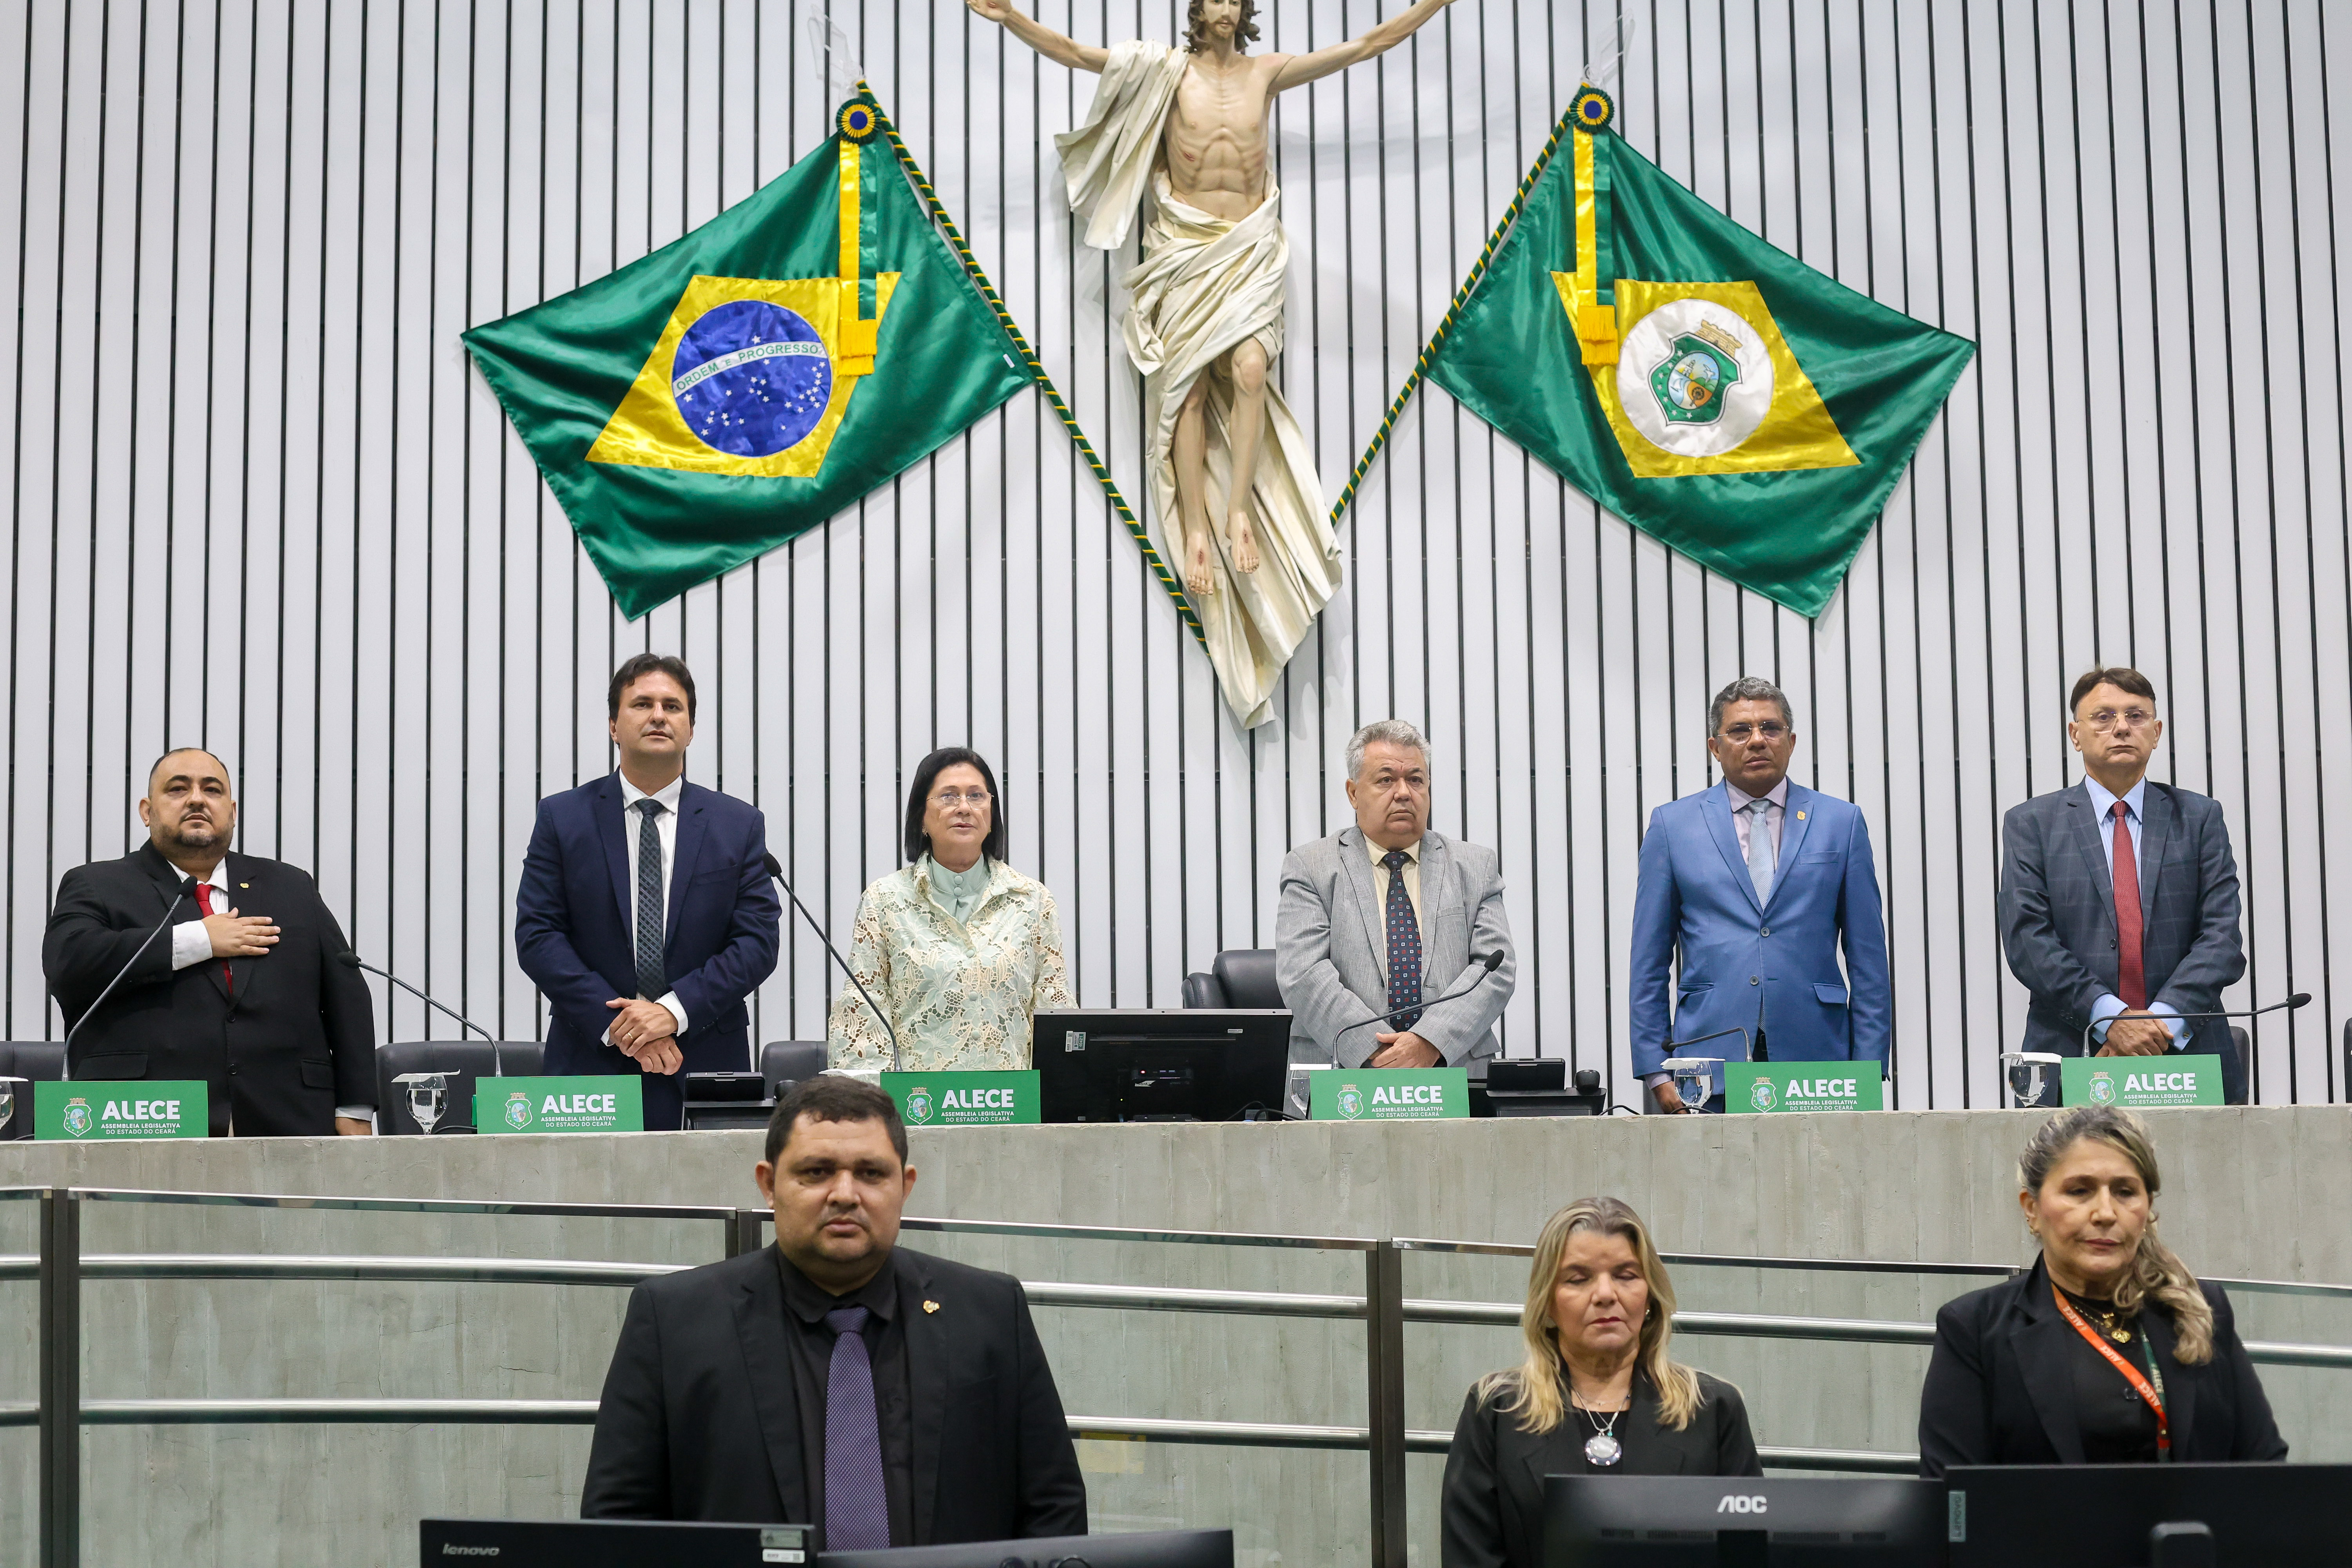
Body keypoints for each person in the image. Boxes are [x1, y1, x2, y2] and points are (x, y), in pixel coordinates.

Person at [967, 0, 1459, 727]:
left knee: (1253, 370)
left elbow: (1367, 46)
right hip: (1187, 248)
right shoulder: (1165, 75)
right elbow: (1074, 54)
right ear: (1198, 12)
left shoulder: (1268, 73)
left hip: (1250, 245)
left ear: (1246, 11)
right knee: (1188, 395)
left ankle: (1237, 515)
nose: (1225, 8)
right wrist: (1012, 18)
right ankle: (1197, 527)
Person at [582, 1076, 1088, 1543]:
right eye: (816, 1172)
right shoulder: (675, 1320)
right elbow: (620, 1521)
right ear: (768, 1184)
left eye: (871, 1174)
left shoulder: (990, 1312)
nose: (845, 1194)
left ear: (905, 1186)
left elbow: (1052, 1507)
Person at [1917, 1105, 2284, 1476]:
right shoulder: (1974, 1330)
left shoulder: (2203, 1310)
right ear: (2032, 1209)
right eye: (2080, 1191)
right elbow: (1952, 1498)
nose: (2106, 1213)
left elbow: (2265, 1465)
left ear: (2148, 1208)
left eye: (2125, 1192)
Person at [42, 747, 376, 1136]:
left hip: (289, 1119)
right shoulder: (97, 884)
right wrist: (200, 938)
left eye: (212, 790)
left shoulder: (291, 886)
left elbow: (347, 993)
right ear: (147, 811)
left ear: (232, 811)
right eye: (178, 789)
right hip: (143, 1120)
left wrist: (355, 1107)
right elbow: (69, 963)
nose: (197, 798)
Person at [514, 653, 780, 1131]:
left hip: (702, 1057)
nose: (659, 715)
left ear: (691, 729)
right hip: (590, 1060)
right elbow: (538, 936)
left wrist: (672, 1013)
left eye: (672, 706)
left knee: (710, 1200)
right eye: (642, 703)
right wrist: (626, 1028)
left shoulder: (738, 825)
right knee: (586, 1203)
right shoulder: (563, 818)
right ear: (614, 725)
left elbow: (756, 945)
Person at [1441, 1197, 1761, 1566]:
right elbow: (1470, 1554)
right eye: (1579, 1279)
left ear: (1650, 1297)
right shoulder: (1496, 1410)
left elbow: (1748, 1551)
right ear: (1547, 1303)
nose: (1606, 1294)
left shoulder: (1713, 1408)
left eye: (1626, 1276)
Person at [1628, 676, 1891, 1113]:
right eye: (1740, 730)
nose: (1757, 740)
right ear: (1715, 746)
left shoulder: (1840, 823)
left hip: (1819, 1064)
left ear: (1791, 741)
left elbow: (1869, 960)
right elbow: (1648, 962)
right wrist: (1656, 1069)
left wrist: (1868, 1067)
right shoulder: (1672, 827)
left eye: (1770, 728)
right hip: (1706, 1059)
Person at [1998, 666, 2248, 1103]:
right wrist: (2110, 1018)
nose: (2121, 727)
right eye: (2103, 717)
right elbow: (2028, 941)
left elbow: (2222, 938)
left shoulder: (2200, 818)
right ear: (2075, 735)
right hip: (2071, 1048)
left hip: (2187, 1054)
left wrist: (2159, 1025)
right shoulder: (2032, 824)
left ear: (2156, 731)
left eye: (2135, 715)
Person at [1276, 720, 1515, 1073]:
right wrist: (1383, 1053)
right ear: (1354, 793)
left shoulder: (1475, 867)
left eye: (1416, 780)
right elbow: (1303, 973)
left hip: (1452, 1072)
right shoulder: (1311, 867)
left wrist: (1428, 1043)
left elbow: (1495, 969)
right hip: (1343, 1075)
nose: (1404, 792)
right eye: (1386, 779)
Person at [828, 748, 1071, 1071]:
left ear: (991, 815)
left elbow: (1054, 1013)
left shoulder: (1032, 899)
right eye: (948, 797)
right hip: (920, 1110)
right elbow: (862, 1018)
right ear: (922, 818)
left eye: (976, 796)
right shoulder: (885, 900)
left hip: (1012, 1109)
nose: (965, 808)